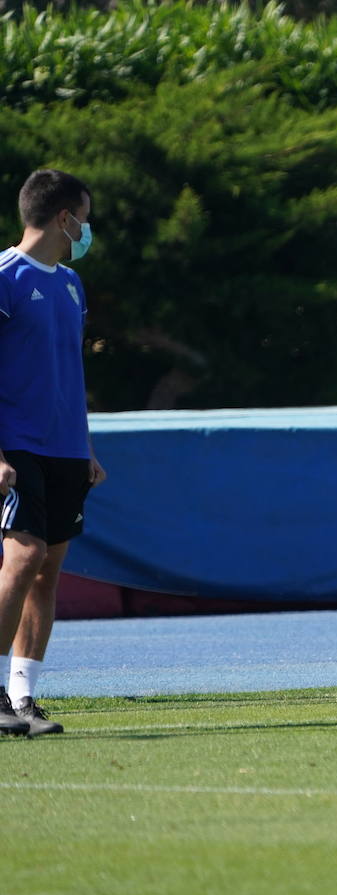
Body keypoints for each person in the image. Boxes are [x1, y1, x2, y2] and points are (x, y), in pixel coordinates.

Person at [0, 169, 107, 736]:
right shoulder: (5, 277)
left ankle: (22, 699)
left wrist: (85, 447)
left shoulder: (70, 284)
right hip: (18, 445)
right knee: (22, 558)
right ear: (64, 217)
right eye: (83, 219)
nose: (86, 231)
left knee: (48, 570)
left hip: (66, 448)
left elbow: (70, 367)